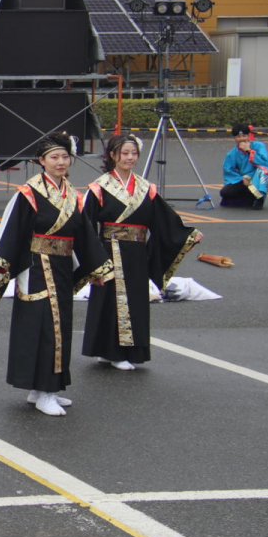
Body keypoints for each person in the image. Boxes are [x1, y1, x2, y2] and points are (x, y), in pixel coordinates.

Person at [0, 133, 111, 417]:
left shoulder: (73, 196)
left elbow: (85, 235)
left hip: (62, 267)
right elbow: (14, 231)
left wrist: (96, 269)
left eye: (65, 157)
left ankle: (44, 387)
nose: (61, 162)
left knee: (60, 326)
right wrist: (0, 264)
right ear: (41, 161)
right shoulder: (29, 194)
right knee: (42, 327)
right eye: (54, 157)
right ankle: (43, 390)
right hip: (37, 267)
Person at [83, 134, 203, 371]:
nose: (129, 157)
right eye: (124, 153)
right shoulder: (99, 187)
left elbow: (164, 219)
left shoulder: (145, 188)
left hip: (136, 253)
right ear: (113, 155)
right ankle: (109, 351)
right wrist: (92, 260)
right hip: (109, 251)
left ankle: (122, 351)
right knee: (109, 300)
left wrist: (186, 234)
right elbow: (86, 225)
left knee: (134, 300)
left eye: (133, 153)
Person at [220, 123, 268, 209]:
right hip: (245, 179)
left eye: (244, 136)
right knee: (225, 192)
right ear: (234, 138)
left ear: (248, 136)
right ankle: (248, 199)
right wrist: (241, 179)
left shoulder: (259, 146)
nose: (242, 139)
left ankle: (260, 198)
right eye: (238, 137)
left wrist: (249, 151)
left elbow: (264, 162)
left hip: (258, 176)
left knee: (263, 170)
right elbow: (228, 170)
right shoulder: (232, 154)